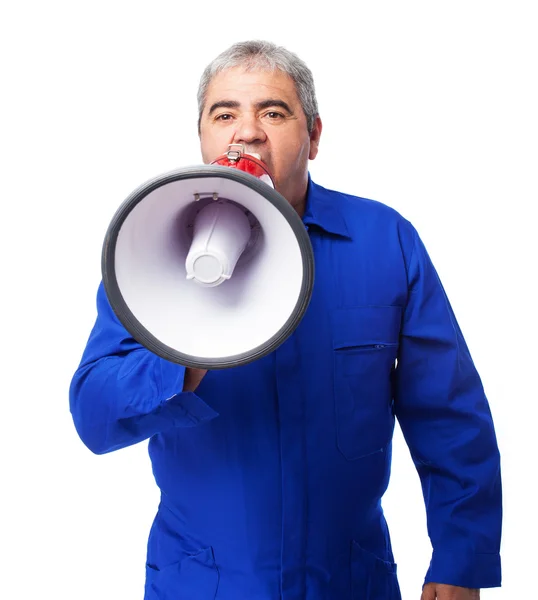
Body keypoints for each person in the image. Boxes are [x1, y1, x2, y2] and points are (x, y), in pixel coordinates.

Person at [69, 40, 502, 600]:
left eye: (273, 112)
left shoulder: (384, 240)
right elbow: (94, 417)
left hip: (350, 580)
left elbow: (447, 414)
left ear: (314, 136)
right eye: (224, 114)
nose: (246, 132)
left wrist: (460, 559)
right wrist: (181, 358)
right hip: (203, 582)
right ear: (202, 136)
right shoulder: (148, 256)